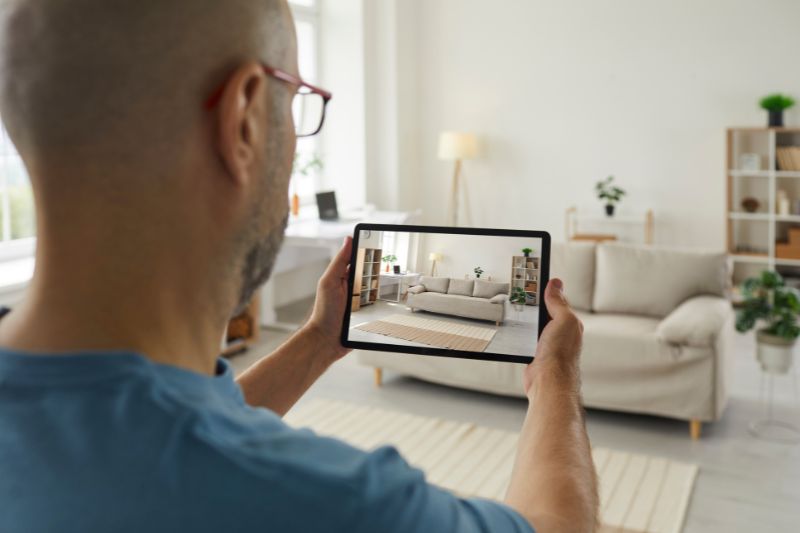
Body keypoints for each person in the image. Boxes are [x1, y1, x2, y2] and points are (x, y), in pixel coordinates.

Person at [0, 0, 598, 531]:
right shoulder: (334, 502)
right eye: (298, 101)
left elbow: (150, 439)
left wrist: (317, 340)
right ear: (246, 117)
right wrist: (556, 375)